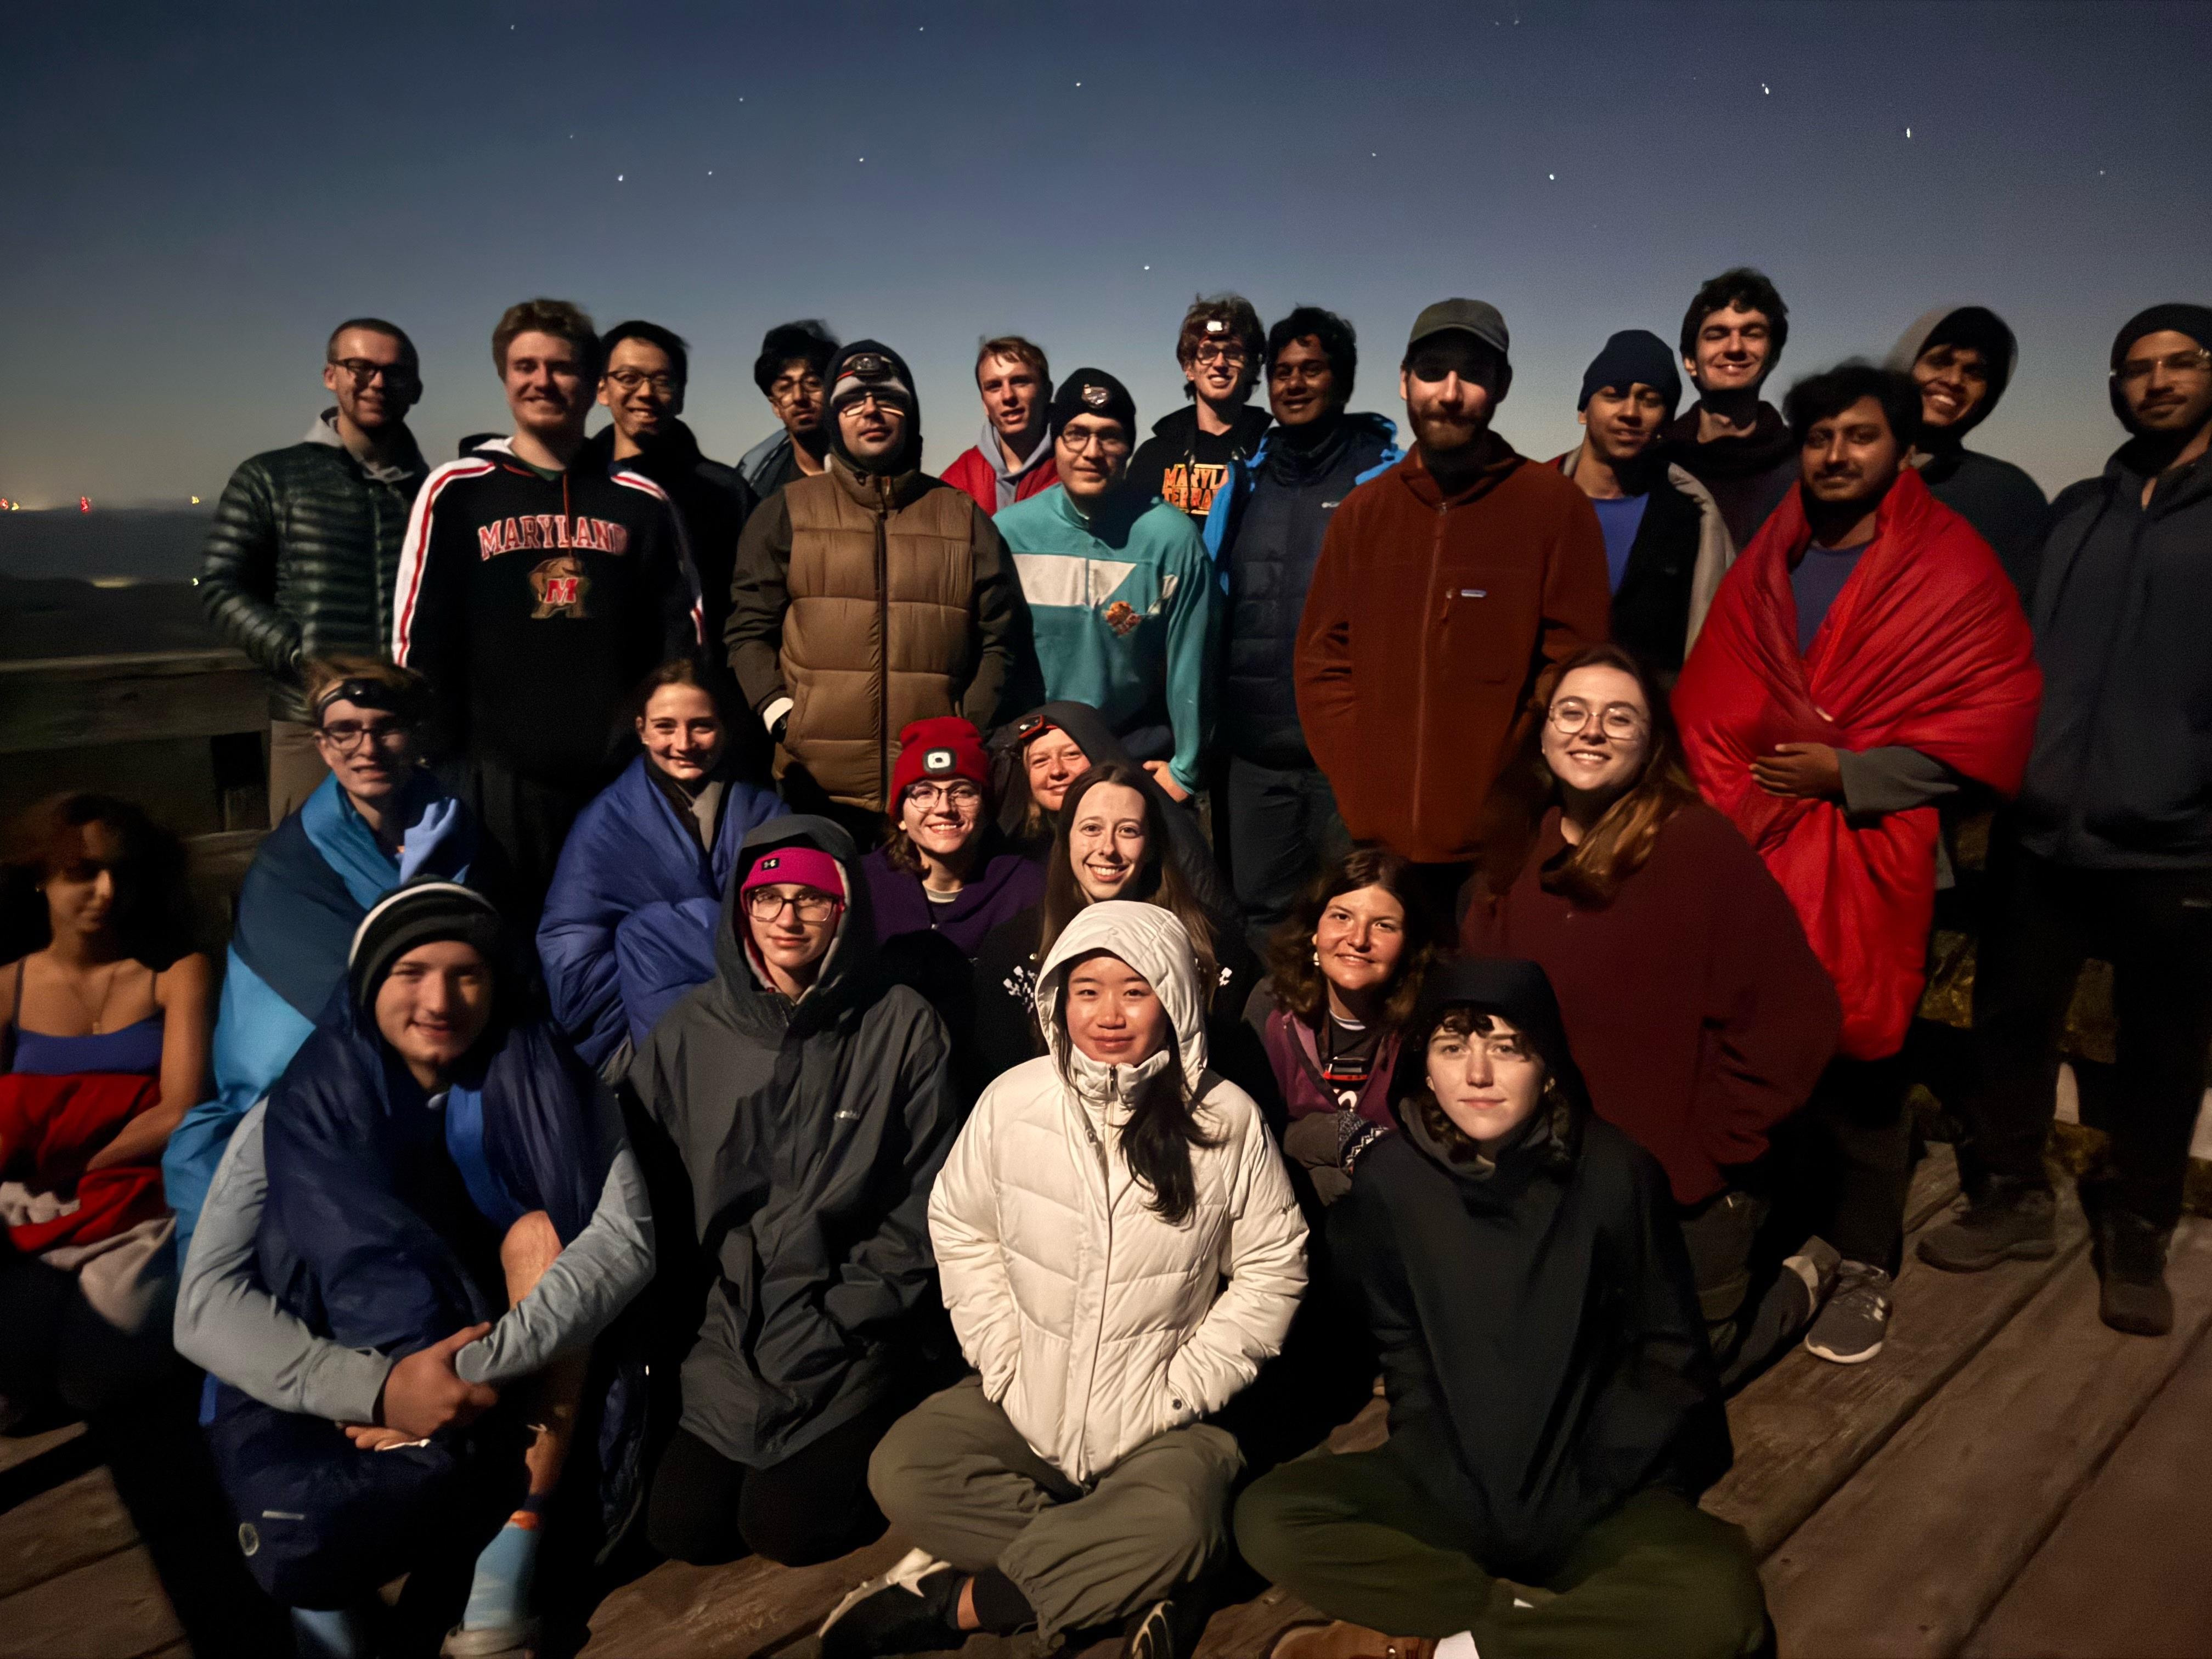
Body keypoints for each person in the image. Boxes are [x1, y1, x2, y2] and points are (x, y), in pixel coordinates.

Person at [1233, 959, 1768, 1659]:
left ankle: (1459, 1650)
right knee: (1269, 1517)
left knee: (1722, 1601)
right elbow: (1402, 1346)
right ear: (1425, 1066)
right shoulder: (1393, 1184)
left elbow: (1669, 1356)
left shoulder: (1614, 1173)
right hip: (1454, 1491)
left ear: (1546, 1066)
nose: (1477, 1075)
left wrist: (1599, 1478)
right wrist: (1438, 1462)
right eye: (1453, 1048)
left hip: (1591, 1500)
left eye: (1507, 1048)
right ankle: (1522, 1622)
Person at [178, 882, 652, 1657]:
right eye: (412, 973)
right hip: (337, 1368)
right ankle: (335, 1580)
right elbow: (204, 1304)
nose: (440, 999)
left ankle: (509, 1557)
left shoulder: (550, 1087)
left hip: (487, 1354)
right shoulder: (296, 1110)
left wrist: (462, 1372)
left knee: (544, 1235)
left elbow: (624, 1242)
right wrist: (377, 1388)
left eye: (467, 973)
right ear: (370, 986)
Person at [1674, 363, 2040, 1366]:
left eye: (1860, 435)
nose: (1836, 454)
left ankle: (1866, 1257)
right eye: (1820, 436)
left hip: (1867, 842)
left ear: (1901, 446)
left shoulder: (1949, 565)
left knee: (1863, 1058)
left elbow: (1994, 715)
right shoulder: (1773, 555)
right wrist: (1736, 794)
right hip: (1757, 839)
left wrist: (1854, 772)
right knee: (1760, 1041)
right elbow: (1716, 688)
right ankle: (1786, 1232)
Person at [823, 901, 1306, 1659]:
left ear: (1174, 999)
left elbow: (1273, 1268)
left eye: (1134, 990)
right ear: (1058, 1000)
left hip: (1162, 1420)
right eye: (1087, 990)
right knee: (905, 1469)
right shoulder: (1013, 1103)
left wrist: (1182, 1388)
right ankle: (1140, 1579)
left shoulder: (1226, 1119)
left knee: (1182, 1520)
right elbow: (961, 1225)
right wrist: (1003, 1355)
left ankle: (964, 1602)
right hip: (1028, 1398)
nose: (1108, 1014)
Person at [1924, 304, 2212, 1338]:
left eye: (2180, 364)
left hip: (2174, 840)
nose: (2157, 383)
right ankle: (2014, 1192)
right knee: (2011, 1015)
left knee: (2161, 1044)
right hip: (2043, 823)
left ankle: (2136, 1222)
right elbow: (2017, 650)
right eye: (2136, 367)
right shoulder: (2079, 510)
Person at [1466, 645, 1842, 1375]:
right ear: (1543, 733)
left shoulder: (1698, 849)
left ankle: (1802, 1281)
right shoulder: (1516, 849)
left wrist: (1711, 1150)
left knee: (1667, 1394)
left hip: (1677, 1190)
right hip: (1553, 1186)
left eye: (1619, 717)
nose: (1591, 731)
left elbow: (1800, 1018)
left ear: (1652, 741)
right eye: (1572, 713)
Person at [624, 818, 963, 1570]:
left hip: (846, 1323)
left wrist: (848, 1315)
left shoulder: (900, 1027)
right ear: (740, 909)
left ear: (846, 908)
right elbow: (655, 1206)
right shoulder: (690, 1032)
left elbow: (927, 1202)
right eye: (767, 897)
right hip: (726, 1329)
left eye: (811, 898)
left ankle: (890, 1409)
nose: (787, 917)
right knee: (683, 1528)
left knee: (787, 1530)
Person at [0, 795, 290, 1656]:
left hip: (136, 1208)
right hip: (26, 1215)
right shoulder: (10, 983)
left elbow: (177, 1108)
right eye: (78, 872)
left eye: (117, 870)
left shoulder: (176, 973)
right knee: (19, 1381)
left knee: (100, 1368)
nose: (101, 890)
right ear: (43, 882)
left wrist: (80, 1164)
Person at [1294, 298, 1609, 915]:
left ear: (1502, 387)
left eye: (1474, 375)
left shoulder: (1553, 507)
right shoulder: (1365, 513)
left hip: (1495, 846)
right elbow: (1321, 659)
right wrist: (1359, 776)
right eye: (1434, 372)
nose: (1451, 393)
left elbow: (1575, 664)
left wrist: (1513, 781)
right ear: (1406, 381)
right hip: (1372, 836)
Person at [392, 298, 703, 914]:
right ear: (505, 378)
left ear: (592, 386)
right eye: (524, 366)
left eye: (561, 368)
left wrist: (663, 746)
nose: (542, 381)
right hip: (496, 772)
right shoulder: (457, 492)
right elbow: (420, 635)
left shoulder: (639, 500)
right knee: (505, 941)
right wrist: (432, 759)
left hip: (617, 770)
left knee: (610, 932)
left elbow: (679, 636)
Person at [163, 658, 481, 1254]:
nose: (367, 748)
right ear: (322, 744)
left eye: (385, 726)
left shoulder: (460, 834)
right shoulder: (291, 870)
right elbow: (318, 1011)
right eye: (345, 731)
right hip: (314, 1084)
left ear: (414, 734)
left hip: (442, 1060)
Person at [726, 339, 1034, 839]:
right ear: (835, 417)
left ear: (910, 415)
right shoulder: (786, 513)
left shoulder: (962, 517)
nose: (870, 410)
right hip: (814, 788)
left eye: (888, 398)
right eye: (851, 401)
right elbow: (747, 631)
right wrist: (785, 717)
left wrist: (965, 725)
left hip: (934, 792)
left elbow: (1001, 638)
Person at [1204, 307, 1402, 940]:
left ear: (1341, 383)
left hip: (1343, 761)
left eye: (1311, 370)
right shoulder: (1245, 482)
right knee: (1262, 917)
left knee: (1351, 917)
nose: (1293, 384)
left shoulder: (1383, 481)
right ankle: (1275, 1041)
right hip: (1254, 758)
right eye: (1282, 372)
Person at [199, 318, 430, 817]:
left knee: (411, 873)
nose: (377, 382)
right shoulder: (271, 477)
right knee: (307, 873)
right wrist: (302, 659)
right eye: (359, 367)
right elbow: (220, 585)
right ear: (331, 376)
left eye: (394, 372)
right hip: (309, 724)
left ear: (415, 388)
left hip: (407, 726)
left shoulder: (433, 491)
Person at [538, 661, 790, 1082]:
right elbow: (570, 943)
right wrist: (643, 998)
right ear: (641, 730)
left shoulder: (766, 812)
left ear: (725, 727)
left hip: (761, 1021)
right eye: (665, 727)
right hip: (646, 1035)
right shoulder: (604, 823)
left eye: (702, 726)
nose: (684, 743)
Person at [996, 369, 1217, 799]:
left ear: (1129, 447)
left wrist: (1185, 770)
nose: (1091, 452)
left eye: (1109, 436)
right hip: (1035, 758)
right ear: (1055, 442)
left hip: (1131, 755)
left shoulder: (1172, 539)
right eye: (1076, 434)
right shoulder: (1008, 533)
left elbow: (1194, 665)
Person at [972, 761, 1252, 1089]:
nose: (1107, 849)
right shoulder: (1012, 947)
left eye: (1128, 831)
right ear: (1067, 839)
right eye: (1091, 829)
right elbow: (1001, 1080)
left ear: (1151, 845)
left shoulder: (1213, 942)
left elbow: (1234, 1071)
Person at [1243, 848, 1440, 1207]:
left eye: (1383, 925)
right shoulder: (1272, 1006)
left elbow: (1431, 1155)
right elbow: (1250, 1137)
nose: (1359, 939)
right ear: (1315, 931)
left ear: (1409, 944)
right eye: (1341, 917)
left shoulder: (1429, 1023)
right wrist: (1336, 1139)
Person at [1555, 329, 1734, 674]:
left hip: (1648, 718)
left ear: (1665, 422)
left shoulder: (1689, 520)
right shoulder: (1541, 504)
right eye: (1613, 395)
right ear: (1583, 410)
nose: (1630, 412)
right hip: (1548, 716)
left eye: (1650, 400)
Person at [584, 319, 760, 670]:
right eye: (629, 378)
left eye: (662, 381)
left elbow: (752, 609)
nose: (646, 393)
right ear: (602, 389)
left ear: (679, 397)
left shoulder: (726, 494)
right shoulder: (578, 487)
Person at [988, 700, 1238, 922]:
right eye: (1041, 761)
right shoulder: (1021, 851)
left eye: (1072, 755)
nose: (1057, 771)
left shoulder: (1163, 834)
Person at [1884, 305, 2050, 589]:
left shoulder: (2005, 495)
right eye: (1939, 362)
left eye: (1974, 372)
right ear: (1905, 366)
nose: (1953, 380)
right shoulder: (1832, 467)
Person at [862, 715, 1045, 958]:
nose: (944, 808)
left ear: (986, 810)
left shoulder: (1027, 889)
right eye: (924, 793)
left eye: (962, 792)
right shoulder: (863, 884)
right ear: (900, 817)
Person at [1665, 268, 1801, 549]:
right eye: (1717, 335)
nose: (1735, 347)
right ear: (1690, 360)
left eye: (1752, 334)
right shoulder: (1658, 466)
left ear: (1773, 356)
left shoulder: (1803, 468)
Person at [1126, 295, 1272, 524]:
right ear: (1189, 367)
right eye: (1208, 353)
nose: (1220, 363)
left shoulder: (1272, 456)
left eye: (1233, 353)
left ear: (1252, 366)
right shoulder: (1153, 457)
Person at [943, 336, 1060, 512]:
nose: (1008, 396)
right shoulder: (956, 483)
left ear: (1047, 391)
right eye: (994, 386)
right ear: (984, 404)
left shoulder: (1079, 468)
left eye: (1020, 381)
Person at [736, 319, 839, 500]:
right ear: (775, 405)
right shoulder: (757, 483)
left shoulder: (872, 467)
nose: (799, 397)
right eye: (785, 388)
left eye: (813, 383)